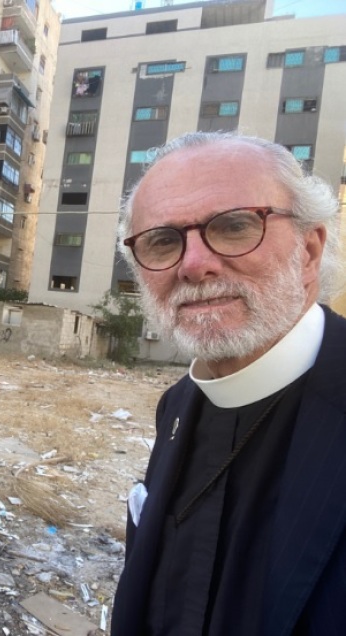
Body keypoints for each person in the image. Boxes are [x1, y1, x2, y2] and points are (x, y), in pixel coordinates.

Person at [111, 131, 346, 636]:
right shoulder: (177, 406)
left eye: (235, 226)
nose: (194, 265)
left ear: (308, 250)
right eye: (162, 240)